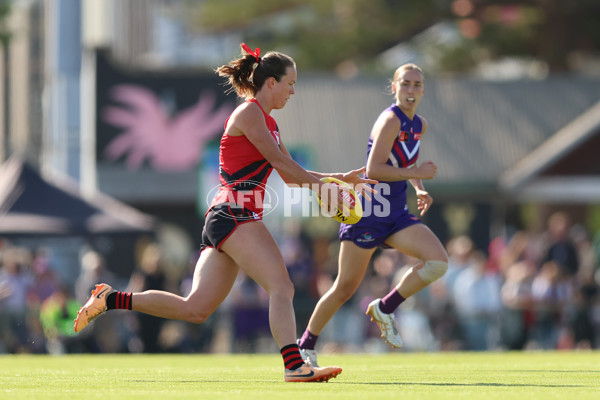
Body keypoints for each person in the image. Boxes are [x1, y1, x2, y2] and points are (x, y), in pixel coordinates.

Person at [74, 43, 376, 382]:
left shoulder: (269, 123)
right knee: (282, 286)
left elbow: (290, 172)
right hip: (235, 214)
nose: (294, 90)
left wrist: (337, 180)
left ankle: (111, 298)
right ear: (271, 83)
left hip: (226, 217)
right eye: (290, 83)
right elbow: (284, 167)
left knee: (196, 308)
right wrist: (327, 188)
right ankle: (294, 365)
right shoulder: (249, 114)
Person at [297, 63, 449, 366]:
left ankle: (385, 307)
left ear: (423, 90)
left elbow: (407, 160)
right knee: (344, 287)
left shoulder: (419, 124)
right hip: (368, 211)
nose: (411, 90)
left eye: (417, 85)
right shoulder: (390, 119)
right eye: (405, 83)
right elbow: (374, 169)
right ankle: (304, 346)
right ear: (393, 87)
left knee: (438, 262)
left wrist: (417, 186)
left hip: (395, 212)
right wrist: (415, 173)